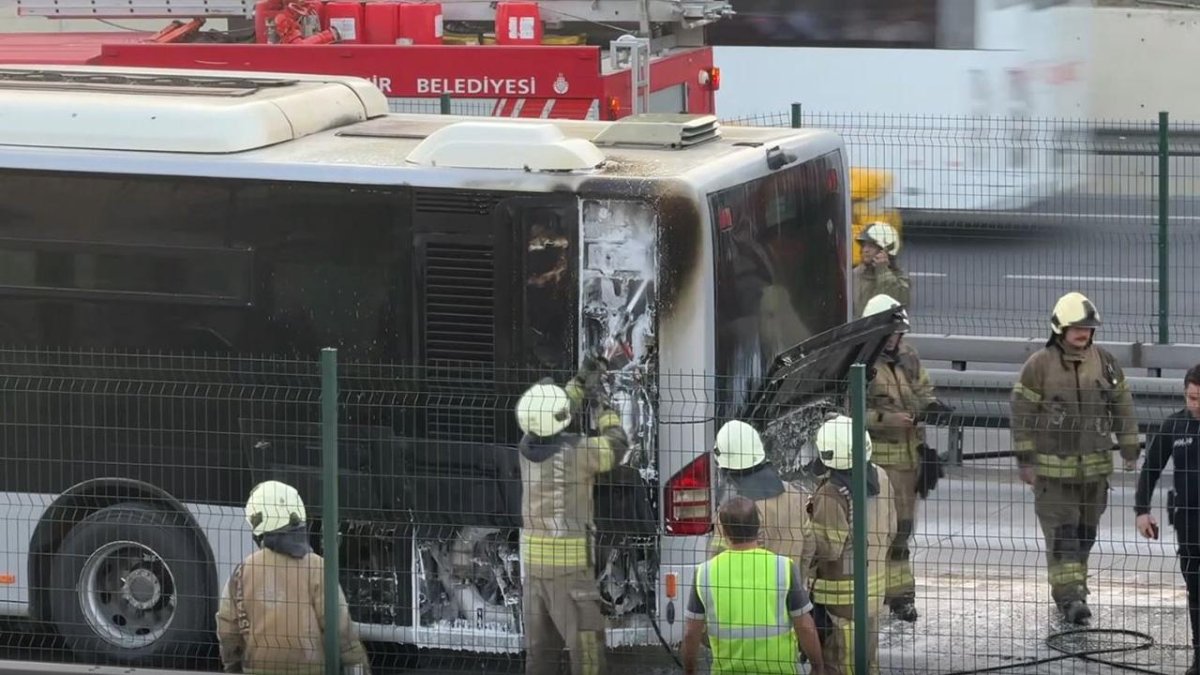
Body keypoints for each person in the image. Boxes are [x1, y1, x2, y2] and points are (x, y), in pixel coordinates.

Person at [1010, 291, 1139, 625]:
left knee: (1085, 536)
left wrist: (1128, 447)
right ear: (1060, 329)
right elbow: (1022, 413)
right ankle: (1070, 599)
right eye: (1077, 328)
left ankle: (1074, 588)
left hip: (1094, 474)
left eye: (1089, 328)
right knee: (1063, 538)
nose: (1085, 333)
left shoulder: (1105, 361)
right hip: (1054, 478)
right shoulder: (1039, 365)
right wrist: (1025, 459)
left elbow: (1122, 405)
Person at [515, 355, 628, 675]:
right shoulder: (578, 453)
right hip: (570, 575)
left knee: (540, 656)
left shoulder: (526, 447)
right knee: (588, 654)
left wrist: (580, 383)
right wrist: (605, 410)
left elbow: (550, 414)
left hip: (534, 573)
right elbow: (618, 446)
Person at [860, 293, 953, 623]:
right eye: (892, 332)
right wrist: (886, 421)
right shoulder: (861, 362)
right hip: (880, 465)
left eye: (900, 333)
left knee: (903, 531)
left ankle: (901, 598)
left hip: (910, 462)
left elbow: (924, 389)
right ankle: (873, 595)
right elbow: (848, 410)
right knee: (879, 533)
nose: (898, 339)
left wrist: (932, 406)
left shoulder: (908, 357)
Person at [215, 480, 371, 675]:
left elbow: (228, 631)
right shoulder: (317, 567)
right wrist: (357, 668)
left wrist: (234, 667)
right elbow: (341, 631)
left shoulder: (243, 571)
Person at [682, 495, 826, 675]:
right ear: (758, 528)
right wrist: (818, 666)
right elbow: (804, 625)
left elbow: (691, 633)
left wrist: (689, 671)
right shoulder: (783, 568)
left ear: (724, 532)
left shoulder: (705, 573)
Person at [807, 414, 897, 675]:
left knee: (836, 663)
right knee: (866, 660)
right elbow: (891, 530)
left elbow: (829, 549)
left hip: (839, 602)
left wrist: (804, 533)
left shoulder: (831, 493)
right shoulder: (880, 476)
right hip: (872, 593)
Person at [1134, 364, 1200, 675]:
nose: (1196, 405)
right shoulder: (1176, 426)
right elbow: (1150, 470)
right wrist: (1142, 510)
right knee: (1197, 592)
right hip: (1189, 525)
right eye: (1192, 398)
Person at [710, 419, 815, 570]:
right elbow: (809, 546)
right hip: (789, 588)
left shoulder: (735, 510)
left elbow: (718, 562)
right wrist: (797, 581)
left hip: (749, 592)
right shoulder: (793, 494)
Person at [851, 222, 911, 319]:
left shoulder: (901, 281)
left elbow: (888, 307)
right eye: (864, 245)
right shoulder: (856, 274)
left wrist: (882, 271)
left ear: (886, 250)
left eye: (871, 246)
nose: (865, 250)